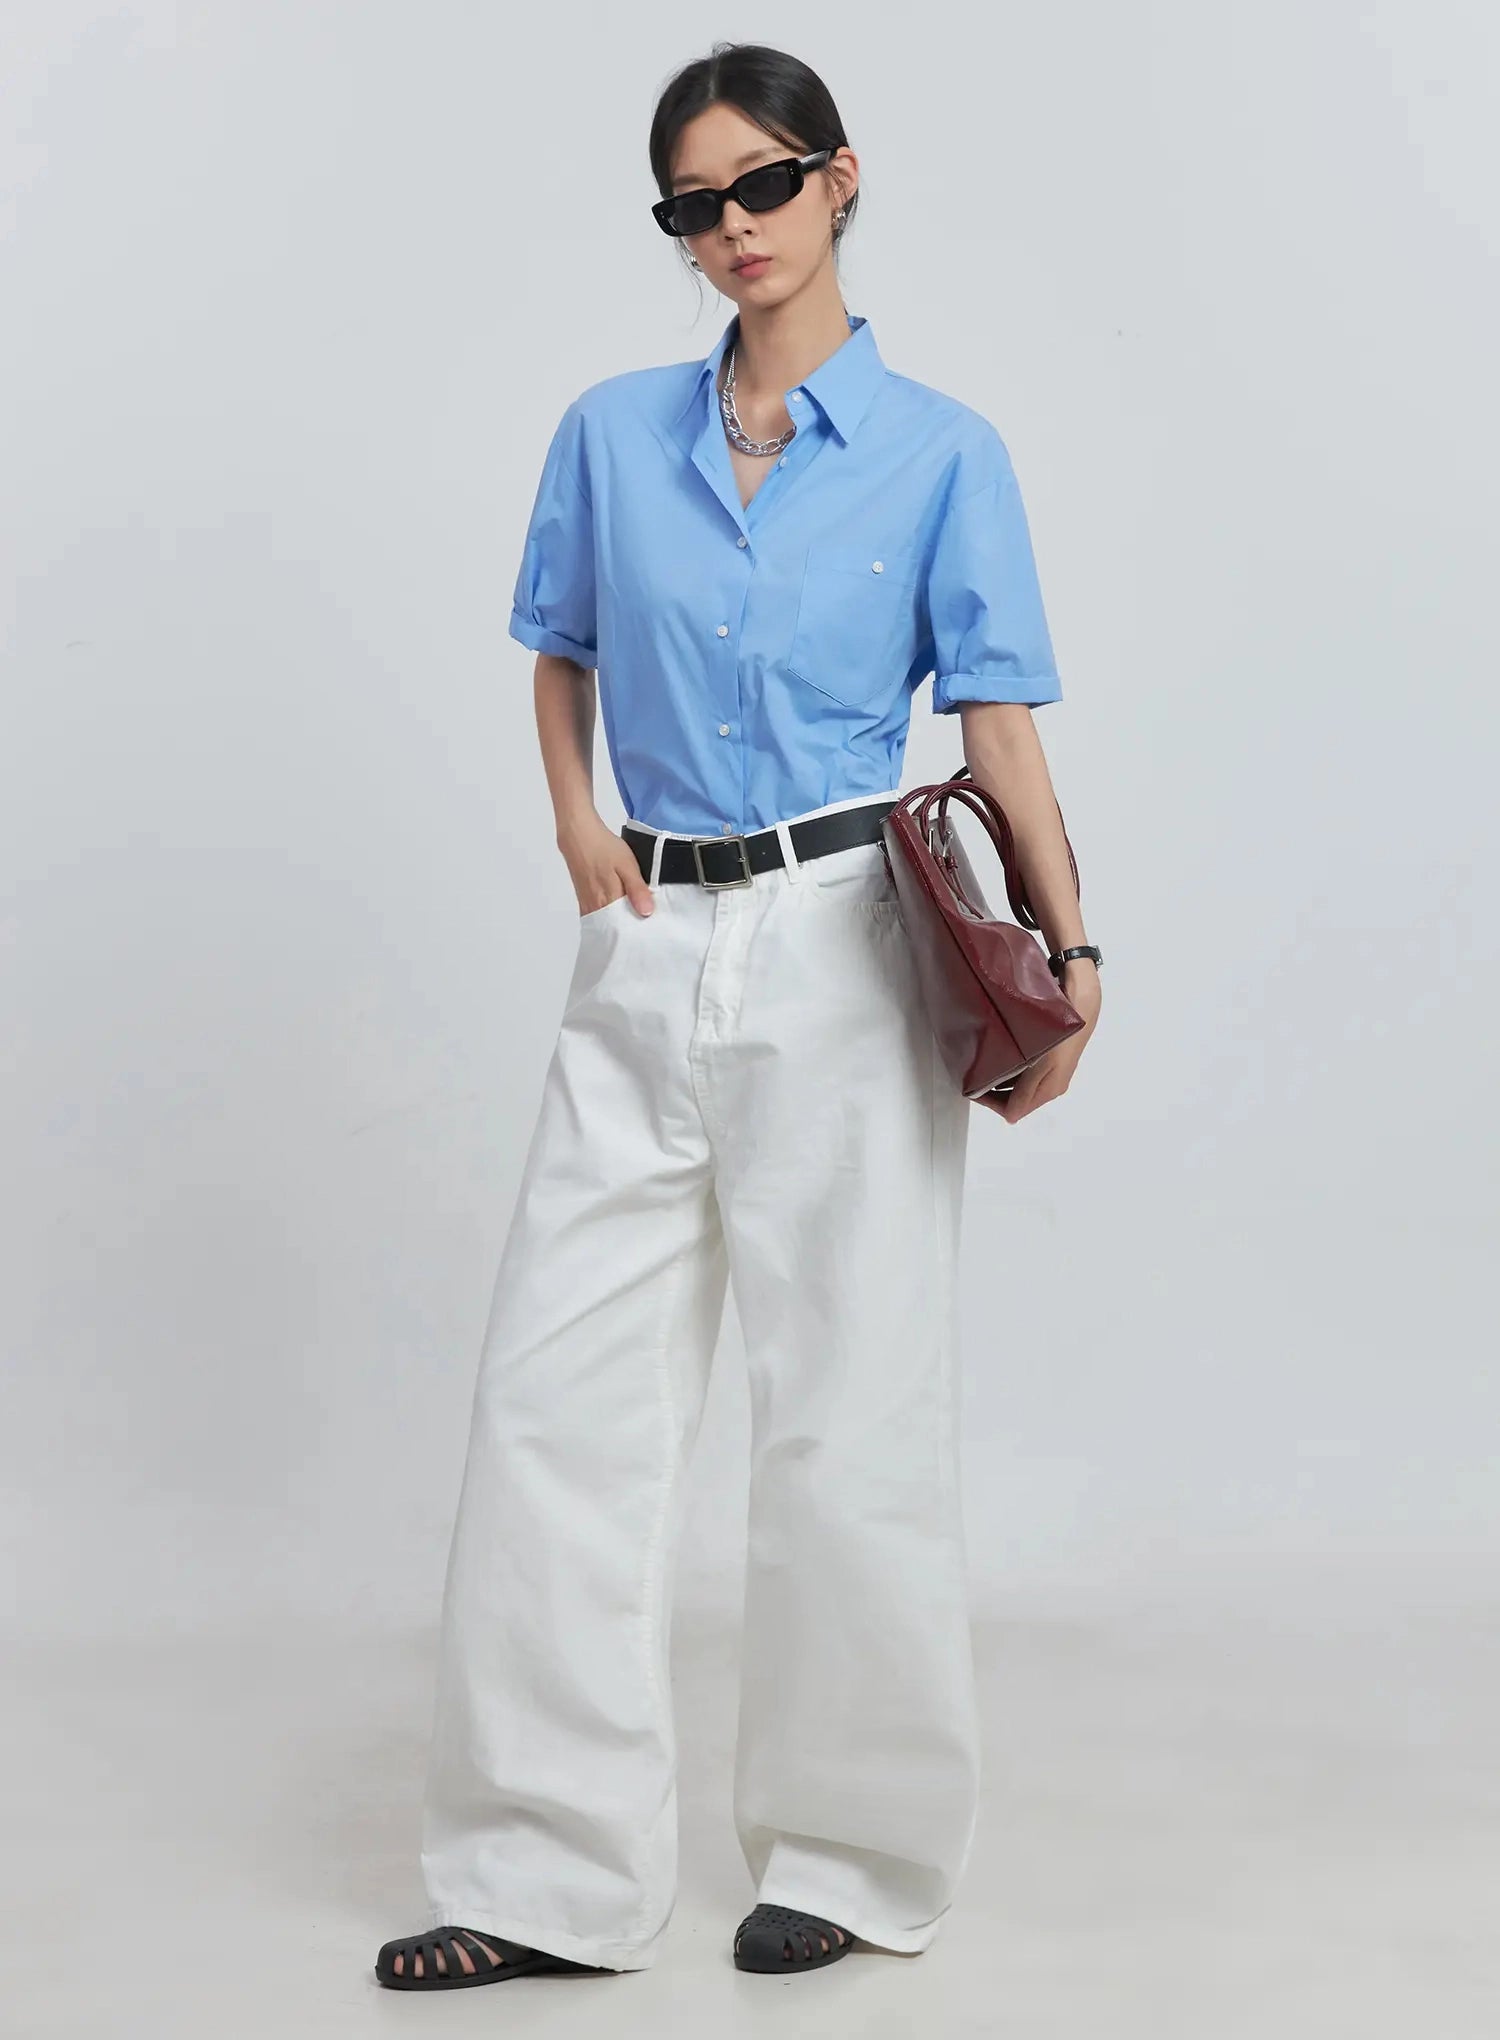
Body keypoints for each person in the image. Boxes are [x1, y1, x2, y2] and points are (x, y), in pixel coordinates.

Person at [374, 39, 1101, 1993]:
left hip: (850, 934)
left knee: (849, 1410)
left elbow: (999, 724)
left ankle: (853, 1854)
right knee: (560, 1401)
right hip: (646, 932)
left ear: (840, 178)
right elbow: (559, 647)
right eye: (693, 206)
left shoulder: (945, 452)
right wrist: (573, 824)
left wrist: (1070, 957)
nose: (733, 231)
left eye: (763, 186)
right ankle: (543, 1874)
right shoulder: (612, 434)